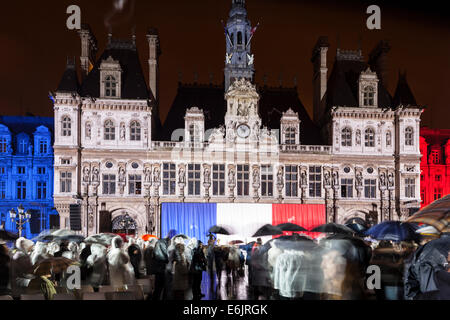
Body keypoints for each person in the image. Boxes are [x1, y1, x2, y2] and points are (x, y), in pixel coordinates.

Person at [150, 233, 171, 300]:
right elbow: (166, 256)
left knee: (158, 288)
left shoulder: (158, 243)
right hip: (163, 268)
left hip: (158, 268)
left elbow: (153, 257)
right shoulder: (163, 243)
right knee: (165, 287)